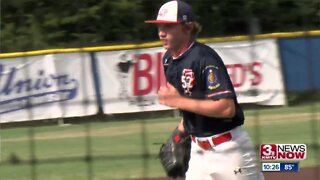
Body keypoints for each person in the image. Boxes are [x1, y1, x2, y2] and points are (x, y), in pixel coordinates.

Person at [145, 1, 265, 179]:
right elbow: (192, 108)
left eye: (169, 26)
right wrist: (179, 134)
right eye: (160, 26)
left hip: (229, 151)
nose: (161, 32)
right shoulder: (169, 60)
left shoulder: (204, 58)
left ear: (188, 27)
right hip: (198, 154)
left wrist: (178, 101)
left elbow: (226, 108)